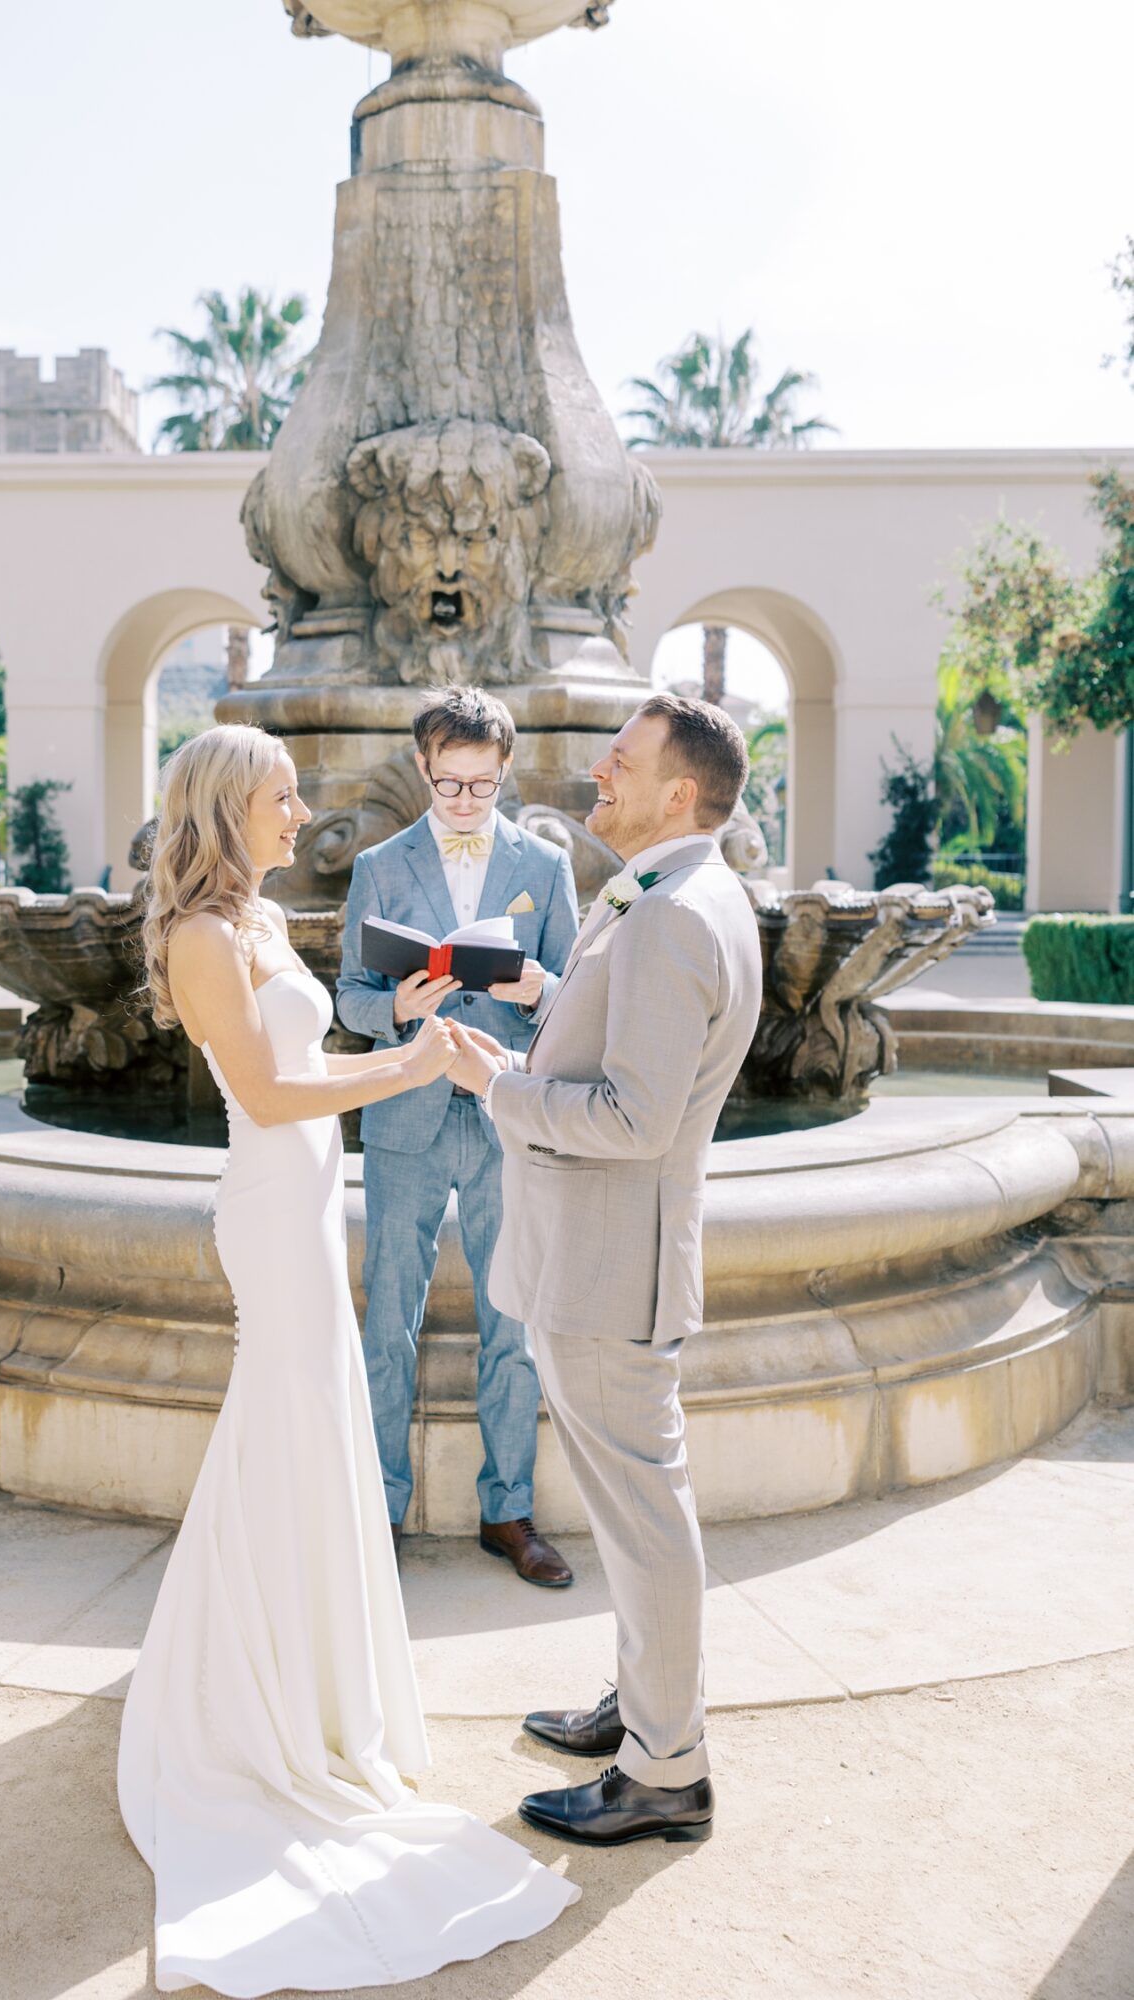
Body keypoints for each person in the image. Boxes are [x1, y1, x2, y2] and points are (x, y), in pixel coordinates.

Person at [117, 724, 577, 1996]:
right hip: (270, 1209)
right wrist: (414, 1063)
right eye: (280, 795)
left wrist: (406, 1039)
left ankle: (301, 1681)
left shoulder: (258, 921)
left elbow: (310, 1059)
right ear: (227, 806)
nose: (297, 810)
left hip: (312, 1202)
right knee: (284, 1419)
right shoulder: (205, 938)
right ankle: (242, 1698)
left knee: (306, 1427)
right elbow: (268, 1094)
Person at [446, 691, 763, 1847]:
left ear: (680, 792)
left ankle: (665, 1770)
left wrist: (499, 1089)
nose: (599, 776)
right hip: (601, 1256)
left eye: (621, 763)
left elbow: (633, 1118)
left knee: (642, 1517)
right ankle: (643, 1709)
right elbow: (624, 1043)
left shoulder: (677, 912)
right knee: (639, 1511)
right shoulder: (677, 891)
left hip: (609, 1267)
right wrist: (536, 1017)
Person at [337, 685, 580, 1580]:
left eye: (481, 785)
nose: (466, 801)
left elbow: (575, 999)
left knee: (510, 1319)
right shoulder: (378, 864)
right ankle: (379, 1509)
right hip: (405, 1115)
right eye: (449, 786)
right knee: (386, 1325)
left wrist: (537, 991)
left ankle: (507, 1512)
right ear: (422, 769)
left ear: (505, 770)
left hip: (504, 1116)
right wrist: (393, 1007)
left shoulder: (546, 865)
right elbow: (350, 999)